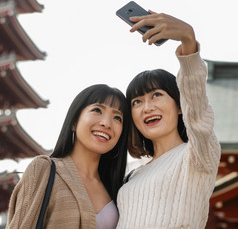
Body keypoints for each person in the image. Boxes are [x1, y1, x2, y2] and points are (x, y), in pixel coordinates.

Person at [116, 12, 221, 228]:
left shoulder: (197, 155)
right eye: (137, 101)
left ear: (180, 106)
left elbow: (198, 114)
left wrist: (188, 42)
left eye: (157, 95)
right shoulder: (132, 173)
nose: (147, 107)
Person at [6, 84, 129, 229]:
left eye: (117, 118)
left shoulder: (119, 188)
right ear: (74, 122)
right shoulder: (44, 170)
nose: (107, 123)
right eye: (97, 110)